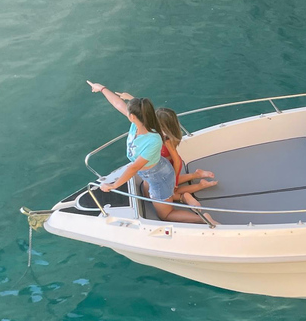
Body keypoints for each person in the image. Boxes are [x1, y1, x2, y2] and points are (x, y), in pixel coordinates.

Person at [87, 81, 216, 224]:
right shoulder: (137, 124)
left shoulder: (153, 140)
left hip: (159, 177)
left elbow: (134, 167)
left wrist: (114, 185)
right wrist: (102, 89)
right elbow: (118, 104)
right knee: (146, 193)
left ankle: (204, 219)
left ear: (133, 116)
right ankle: (182, 196)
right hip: (151, 173)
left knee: (165, 215)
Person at [155, 107, 218, 196]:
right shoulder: (165, 136)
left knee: (172, 192)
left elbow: (177, 161)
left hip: (171, 167)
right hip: (165, 166)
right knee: (166, 183)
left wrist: (174, 179)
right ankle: (196, 175)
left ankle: (201, 185)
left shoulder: (167, 140)